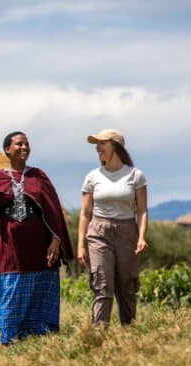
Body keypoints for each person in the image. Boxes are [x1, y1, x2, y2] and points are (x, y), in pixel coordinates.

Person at [0, 131, 72, 345]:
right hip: (8, 245)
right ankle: (10, 337)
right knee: (10, 286)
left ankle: (41, 334)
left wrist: (56, 241)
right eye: (19, 144)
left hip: (39, 244)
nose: (24, 147)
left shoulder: (39, 176)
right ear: (7, 149)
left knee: (41, 286)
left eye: (27, 144)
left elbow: (53, 212)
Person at [77, 129, 148, 326]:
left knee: (127, 286)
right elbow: (85, 213)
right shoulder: (92, 176)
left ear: (115, 146)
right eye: (96, 144)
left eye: (101, 143)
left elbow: (142, 211)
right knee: (102, 283)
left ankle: (128, 333)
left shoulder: (136, 176)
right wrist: (80, 245)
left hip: (127, 232)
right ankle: (99, 335)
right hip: (98, 232)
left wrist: (141, 237)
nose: (97, 148)